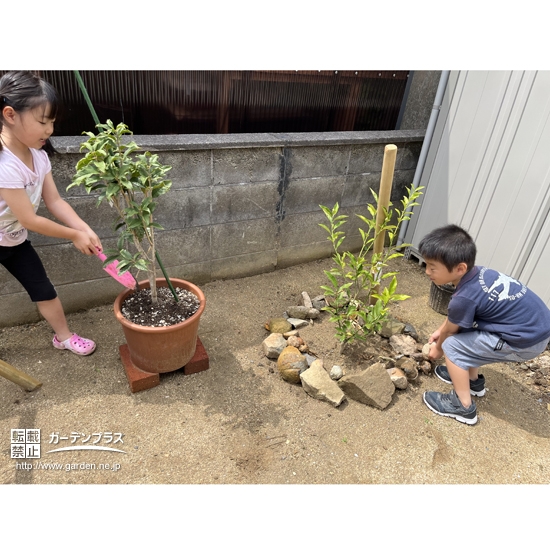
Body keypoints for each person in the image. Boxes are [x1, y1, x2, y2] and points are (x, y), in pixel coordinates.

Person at [0, 71, 101, 355]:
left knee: (43, 289)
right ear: (10, 114)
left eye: (52, 122)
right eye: (43, 121)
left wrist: (83, 229)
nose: (49, 130)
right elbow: (29, 219)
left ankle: (64, 337)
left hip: (15, 241)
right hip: (14, 231)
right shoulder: (5, 164)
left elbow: (55, 202)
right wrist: (73, 235)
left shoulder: (40, 157)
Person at [418, 224, 550, 425]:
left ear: (460, 268)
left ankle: (462, 406)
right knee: (468, 332)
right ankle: (472, 382)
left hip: (526, 341)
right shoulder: (479, 275)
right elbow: (456, 318)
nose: (427, 271)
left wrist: (438, 349)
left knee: (452, 346)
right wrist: (440, 330)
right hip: (536, 328)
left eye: (432, 267)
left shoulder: (463, 296)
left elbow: (452, 329)